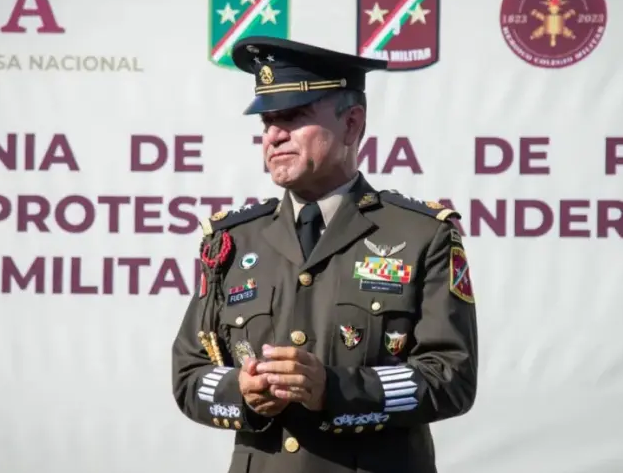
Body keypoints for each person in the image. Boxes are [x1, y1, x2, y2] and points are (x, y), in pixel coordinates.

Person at [171, 36, 478, 473]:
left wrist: (335, 390)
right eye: (266, 122)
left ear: (352, 124)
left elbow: (451, 377)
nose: (274, 135)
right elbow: (189, 376)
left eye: (293, 117)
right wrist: (242, 391)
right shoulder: (233, 241)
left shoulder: (421, 235)